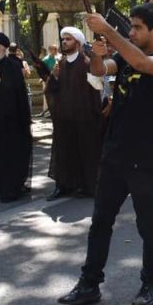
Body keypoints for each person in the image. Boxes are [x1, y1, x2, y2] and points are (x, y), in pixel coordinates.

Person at [58, 3, 153, 305]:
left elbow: (140, 63)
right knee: (100, 223)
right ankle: (89, 283)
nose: (132, 32)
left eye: (137, 27)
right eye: (131, 27)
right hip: (114, 155)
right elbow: (99, 70)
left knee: (147, 225)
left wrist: (108, 30)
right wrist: (98, 51)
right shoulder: (126, 58)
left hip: (144, 158)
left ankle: (151, 282)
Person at [44, 27, 104, 200]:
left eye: (68, 39)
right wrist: (53, 78)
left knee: (86, 151)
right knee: (63, 151)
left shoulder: (87, 63)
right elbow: (53, 90)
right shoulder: (60, 64)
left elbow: (96, 89)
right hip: (65, 119)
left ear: (77, 42)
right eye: (63, 39)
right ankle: (63, 185)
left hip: (85, 118)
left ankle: (87, 186)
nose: (64, 42)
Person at [0, 32, 33, 203]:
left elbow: (17, 94)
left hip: (13, 123)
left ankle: (12, 189)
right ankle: (2, 185)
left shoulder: (12, 66)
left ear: (4, 49)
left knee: (12, 156)